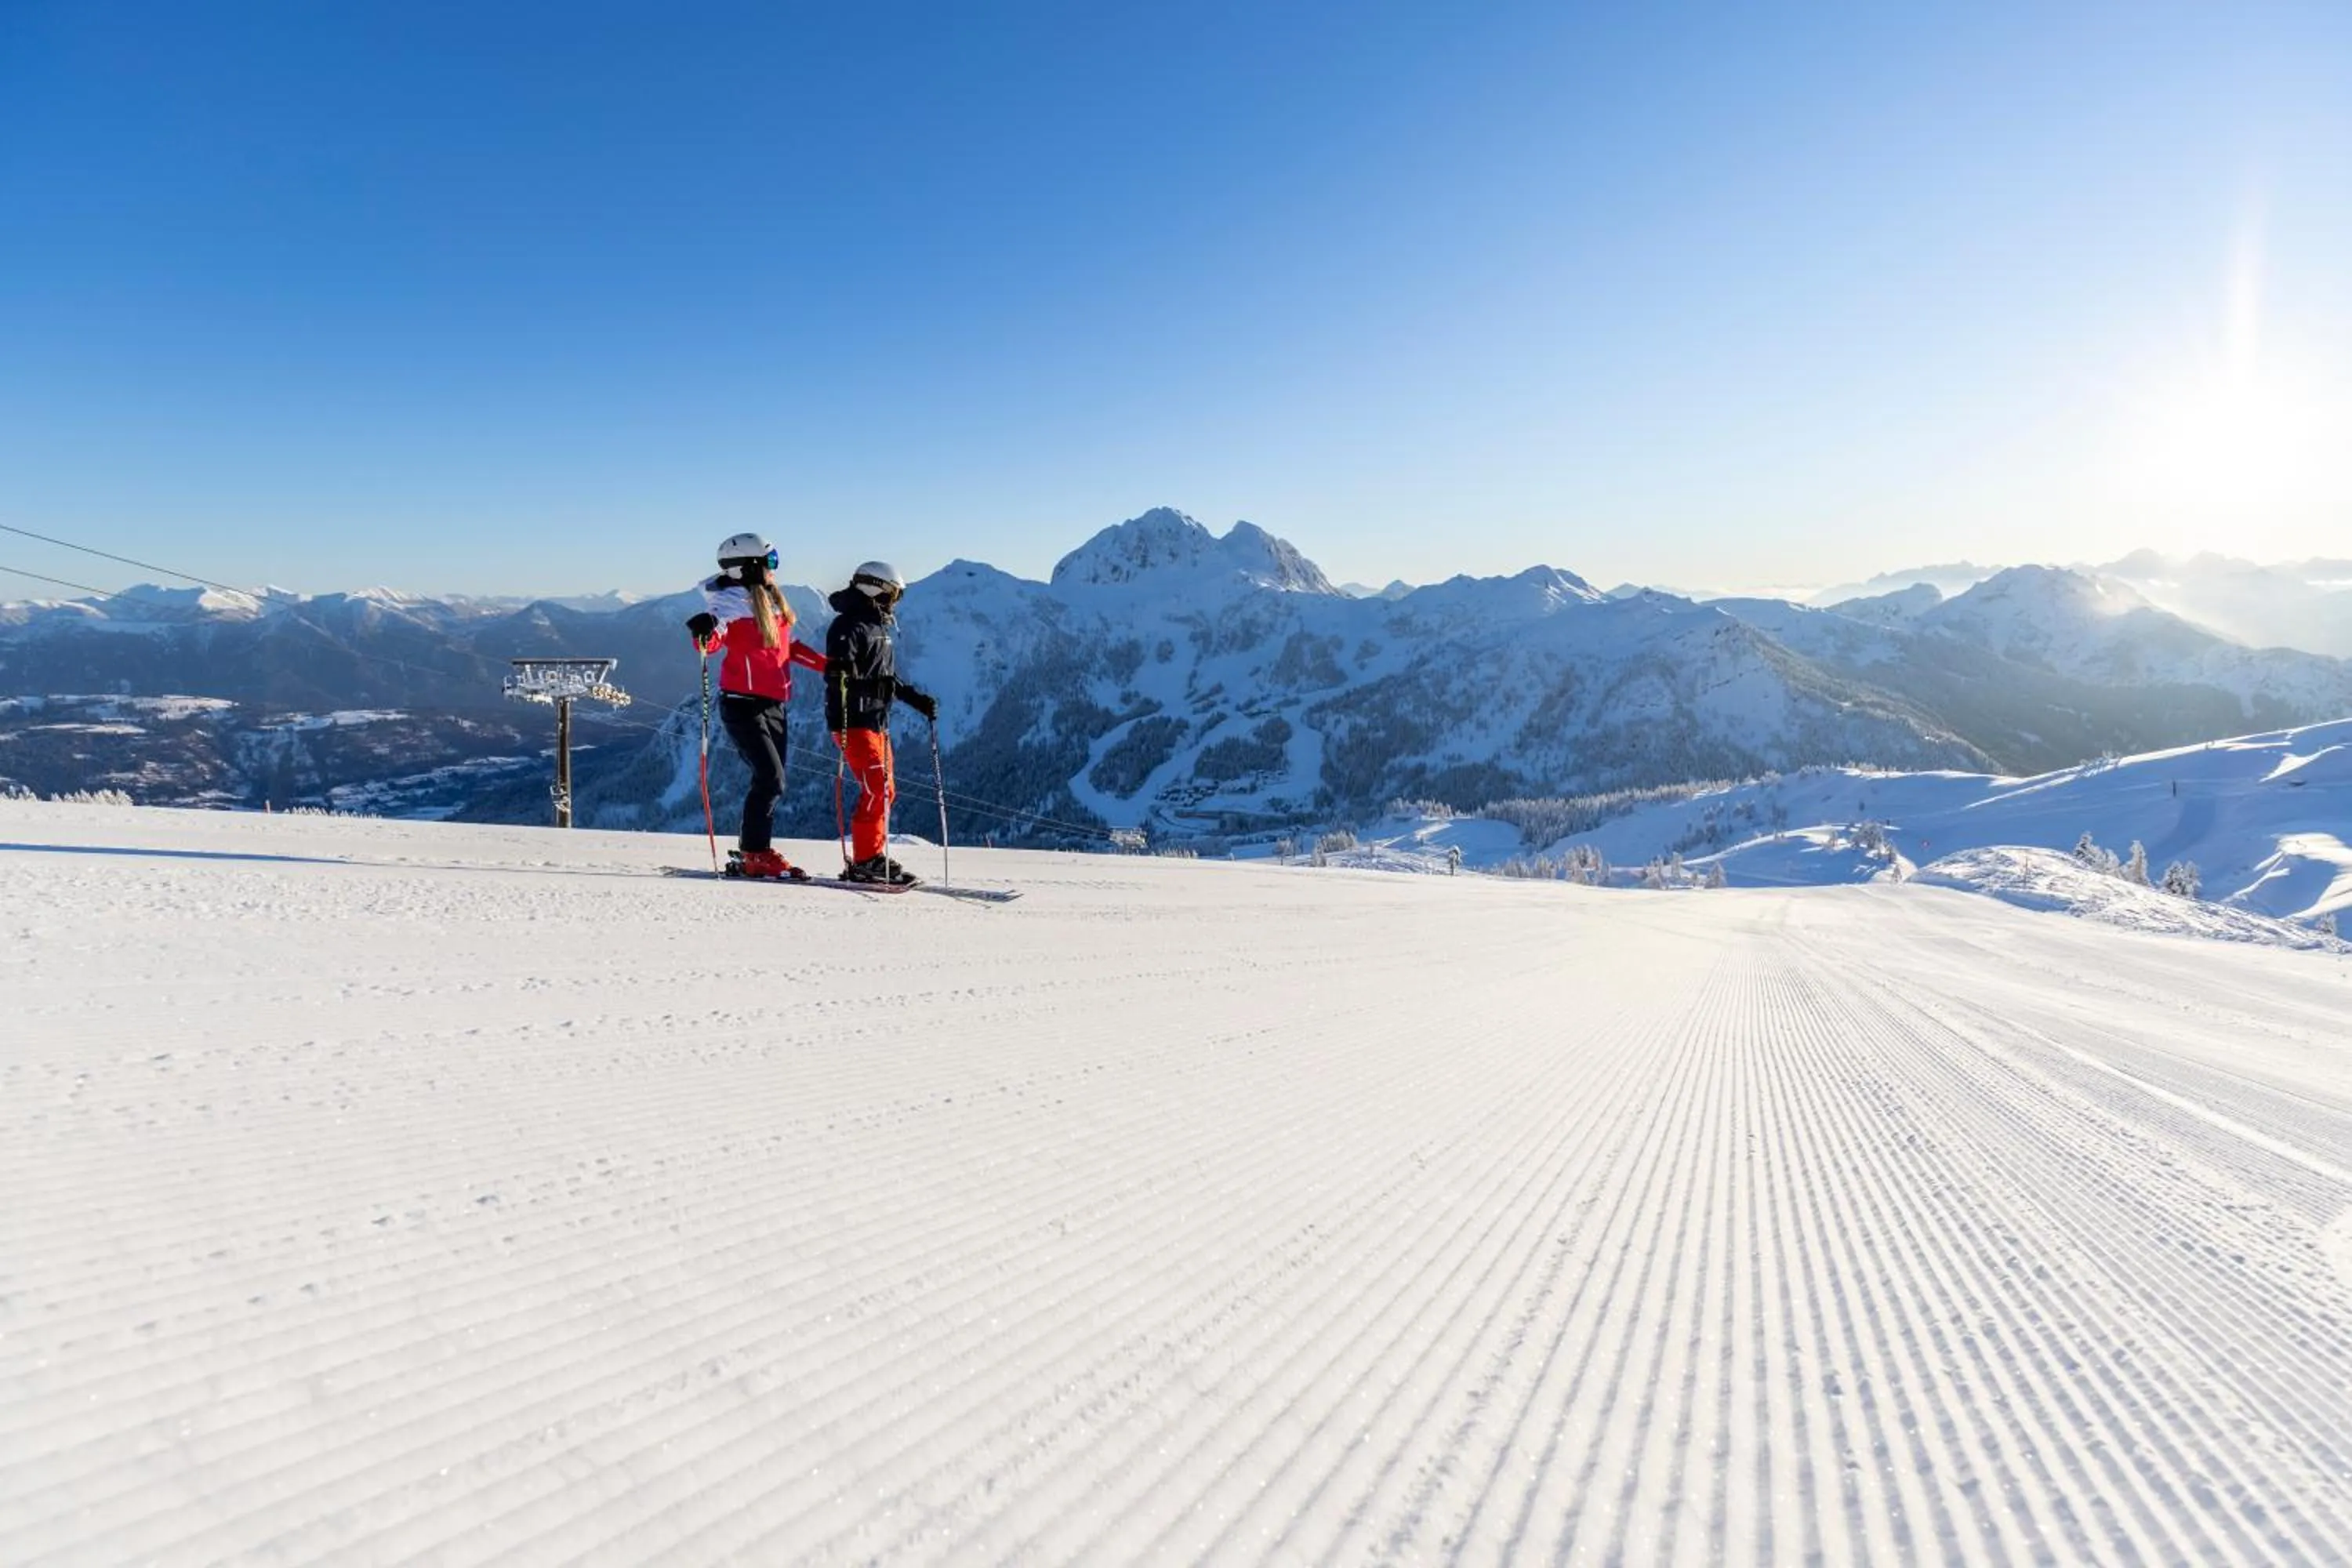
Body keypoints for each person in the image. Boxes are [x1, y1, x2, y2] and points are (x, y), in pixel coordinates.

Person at [685, 532, 828, 880]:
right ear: (748, 567)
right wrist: (702, 633)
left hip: (775, 704)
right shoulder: (726, 606)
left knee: (772, 780)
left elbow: (787, 649)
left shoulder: (770, 602)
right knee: (770, 778)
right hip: (742, 705)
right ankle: (755, 853)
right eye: (771, 562)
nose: (775, 569)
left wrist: (829, 665)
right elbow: (713, 641)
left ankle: (755, 849)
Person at [824, 560, 938, 884]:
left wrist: (913, 698)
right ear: (875, 589)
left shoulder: (878, 628)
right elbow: (838, 676)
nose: (895, 602)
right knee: (877, 789)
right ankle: (866, 860)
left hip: (876, 722)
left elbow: (885, 677)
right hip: (853, 720)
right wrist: (877, 687)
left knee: (887, 791)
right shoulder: (848, 627)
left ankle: (872, 856)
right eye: (892, 594)